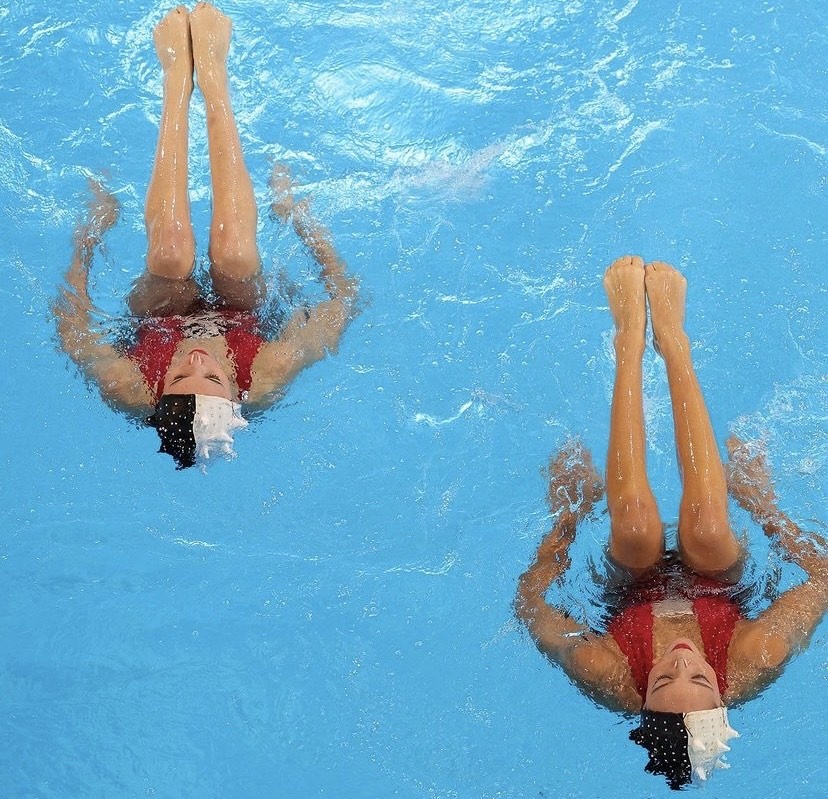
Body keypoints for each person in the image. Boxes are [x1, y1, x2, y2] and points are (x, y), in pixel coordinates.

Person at [515, 256, 828, 790]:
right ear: (722, 690)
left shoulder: (604, 672)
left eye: (661, 678)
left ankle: (628, 343)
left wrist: (567, 520)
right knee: (707, 528)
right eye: (701, 676)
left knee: (636, 528)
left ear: (641, 696)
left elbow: (529, 605)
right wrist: (762, 506)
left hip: (630, 587)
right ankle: (675, 339)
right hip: (720, 582)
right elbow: (822, 576)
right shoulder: (757, 657)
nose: (681, 661)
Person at [54, 3, 357, 468]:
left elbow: (72, 330)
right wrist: (302, 222)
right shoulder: (268, 374)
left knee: (172, 253)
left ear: (159, 389)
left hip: (160, 318)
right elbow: (343, 301)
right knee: (234, 253)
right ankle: (214, 77)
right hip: (241, 313)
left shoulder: (129, 386)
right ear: (237, 390)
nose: (195, 360)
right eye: (213, 378)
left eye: (177, 377)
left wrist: (88, 236)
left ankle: (175, 78)